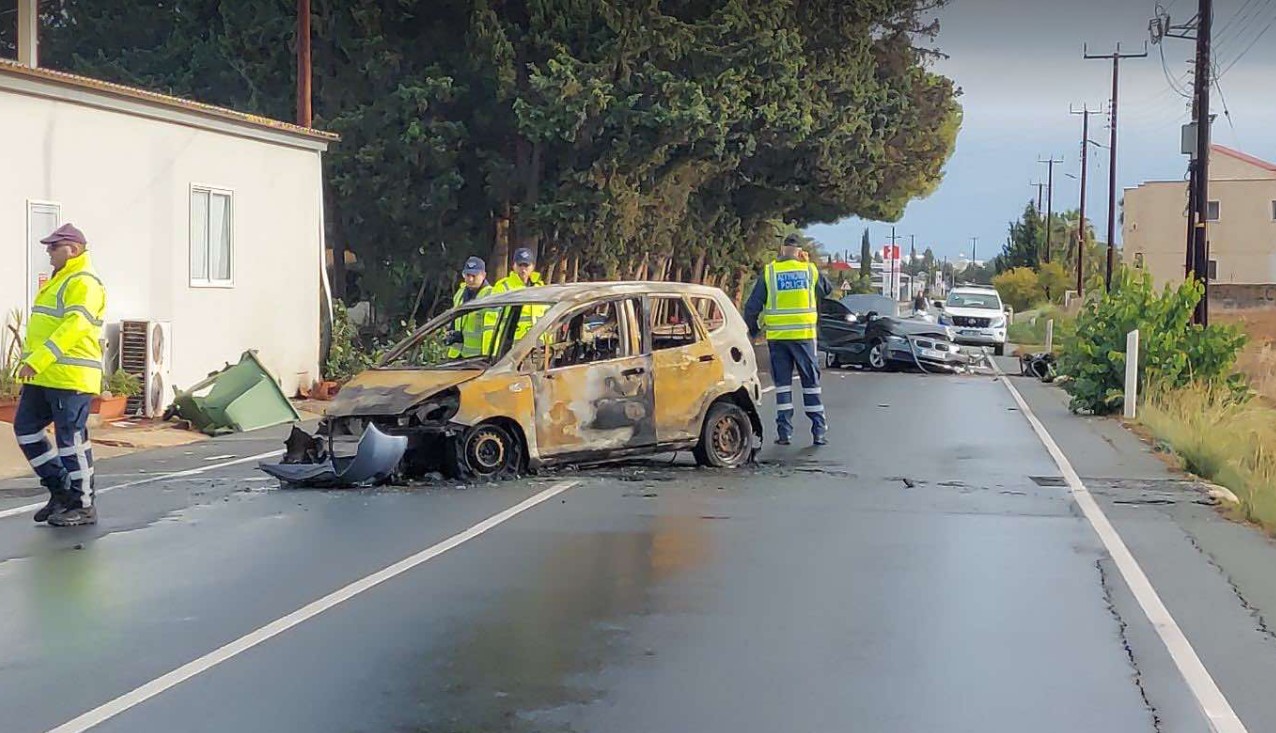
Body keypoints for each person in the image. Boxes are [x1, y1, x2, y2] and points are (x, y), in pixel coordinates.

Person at [15, 223, 107, 527]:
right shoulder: (58, 281)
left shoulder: (84, 282)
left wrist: (38, 360)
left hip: (71, 376)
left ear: (73, 249)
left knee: (71, 440)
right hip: (45, 376)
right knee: (26, 429)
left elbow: (75, 327)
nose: (48, 252)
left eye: (54, 247)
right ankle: (61, 489)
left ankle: (83, 504)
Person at [744, 234, 831, 447]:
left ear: (781, 251)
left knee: (782, 386)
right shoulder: (808, 270)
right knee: (811, 384)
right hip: (803, 338)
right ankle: (818, 432)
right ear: (800, 251)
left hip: (778, 339)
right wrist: (810, 263)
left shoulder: (770, 272)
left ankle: (784, 433)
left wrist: (753, 332)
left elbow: (751, 307)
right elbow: (827, 290)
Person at [491, 247, 547, 341]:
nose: (523, 269)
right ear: (513, 266)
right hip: (513, 346)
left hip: (537, 347)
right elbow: (492, 321)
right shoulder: (502, 287)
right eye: (520, 265)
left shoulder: (540, 288)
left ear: (533, 267)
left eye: (526, 265)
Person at [447, 257, 495, 359]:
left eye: (474, 276)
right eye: (467, 275)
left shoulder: (491, 295)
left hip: (478, 357)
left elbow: (491, 330)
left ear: (483, 275)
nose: (470, 279)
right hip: (456, 354)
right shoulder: (460, 293)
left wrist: (488, 356)